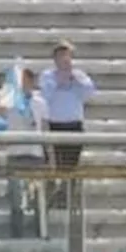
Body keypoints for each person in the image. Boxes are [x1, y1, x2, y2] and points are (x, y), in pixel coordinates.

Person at [39, 40, 96, 205]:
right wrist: (59, 80)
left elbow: (88, 93)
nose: (64, 59)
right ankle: (54, 194)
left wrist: (74, 79)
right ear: (55, 58)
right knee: (56, 163)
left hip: (74, 125)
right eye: (60, 56)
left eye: (67, 56)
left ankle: (66, 196)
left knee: (71, 164)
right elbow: (45, 96)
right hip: (55, 125)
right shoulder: (48, 76)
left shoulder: (80, 75)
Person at [3, 68, 49, 238]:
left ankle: (41, 232)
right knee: (15, 198)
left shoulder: (40, 102)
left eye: (26, 81)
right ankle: (16, 234)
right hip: (15, 153)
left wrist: (48, 154)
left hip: (35, 155)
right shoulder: (10, 100)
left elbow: (44, 127)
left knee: (38, 197)